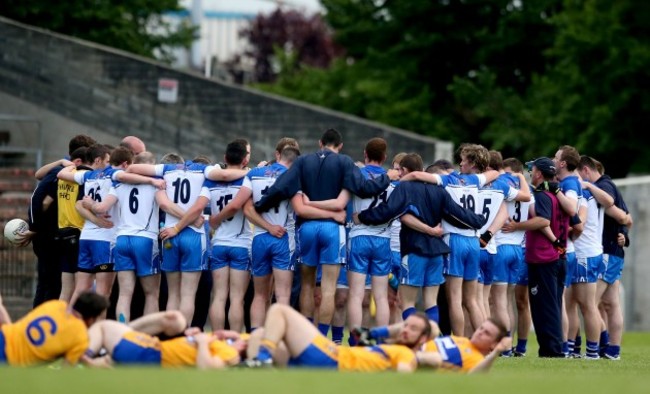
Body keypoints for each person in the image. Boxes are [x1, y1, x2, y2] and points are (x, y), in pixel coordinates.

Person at [254, 129, 393, 336]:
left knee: (308, 286)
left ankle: (308, 336)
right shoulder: (344, 162)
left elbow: (281, 186)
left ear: (320, 143)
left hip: (307, 227)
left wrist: (261, 205)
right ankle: (322, 337)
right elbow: (364, 188)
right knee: (328, 289)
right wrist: (386, 178)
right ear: (340, 145)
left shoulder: (303, 161)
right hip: (332, 228)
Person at [356, 153, 486, 326]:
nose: (399, 174)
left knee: (406, 302)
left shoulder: (404, 188)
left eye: (400, 170)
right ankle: (430, 340)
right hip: (436, 252)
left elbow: (387, 211)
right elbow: (457, 213)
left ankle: (416, 340)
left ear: (405, 170)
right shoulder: (439, 190)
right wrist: (478, 220)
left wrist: (362, 216)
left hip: (415, 250)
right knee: (431, 302)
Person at [130, 153, 247, 322]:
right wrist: (250, 172)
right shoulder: (204, 171)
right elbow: (224, 174)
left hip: (169, 234)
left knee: (173, 294)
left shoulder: (166, 170)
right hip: (193, 235)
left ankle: (172, 335)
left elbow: (134, 168)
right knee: (188, 295)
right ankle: (184, 337)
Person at [58, 146, 165, 305]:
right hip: (106, 238)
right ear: (125, 164)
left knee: (81, 288)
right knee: (103, 292)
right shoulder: (114, 175)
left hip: (86, 236)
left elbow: (61, 174)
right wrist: (151, 180)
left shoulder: (88, 175)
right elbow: (124, 176)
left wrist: (66, 163)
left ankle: (68, 322)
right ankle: (98, 327)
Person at [502, 157, 568, 357]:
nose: (531, 173)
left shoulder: (543, 195)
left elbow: (542, 220)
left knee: (544, 307)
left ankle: (551, 350)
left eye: (533, 170)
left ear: (539, 173)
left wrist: (516, 226)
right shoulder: (557, 194)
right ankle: (553, 348)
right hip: (554, 256)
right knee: (552, 305)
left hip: (544, 258)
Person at [246, 304, 437, 372]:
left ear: (422, 339)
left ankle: (262, 359)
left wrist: (419, 356)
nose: (404, 330)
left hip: (332, 357)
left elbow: (403, 376)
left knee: (280, 310)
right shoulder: (391, 345)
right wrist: (394, 330)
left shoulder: (407, 355)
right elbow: (373, 334)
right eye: (405, 326)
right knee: (258, 335)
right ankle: (260, 375)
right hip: (327, 361)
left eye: (413, 329)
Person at [578, 156, 632, 360]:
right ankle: (611, 350)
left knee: (590, 302)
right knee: (609, 303)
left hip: (608, 252)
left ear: (586, 171)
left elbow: (623, 217)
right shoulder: (604, 186)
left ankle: (600, 347)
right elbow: (627, 218)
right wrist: (624, 233)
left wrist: (623, 234)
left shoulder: (603, 186)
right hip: (611, 252)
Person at [83, 311, 242, 369]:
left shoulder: (231, 353)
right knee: (173, 317)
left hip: (151, 353)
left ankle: (83, 354)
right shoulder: (227, 344)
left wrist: (201, 342)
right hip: (154, 347)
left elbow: (207, 368)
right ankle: (100, 358)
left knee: (104, 326)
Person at [0, 292, 109, 366]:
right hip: (10, 359)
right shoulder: (81, 337)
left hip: (4, 335)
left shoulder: (57, 304)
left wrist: (91, 364)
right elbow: (65, 371)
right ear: (91, 319)